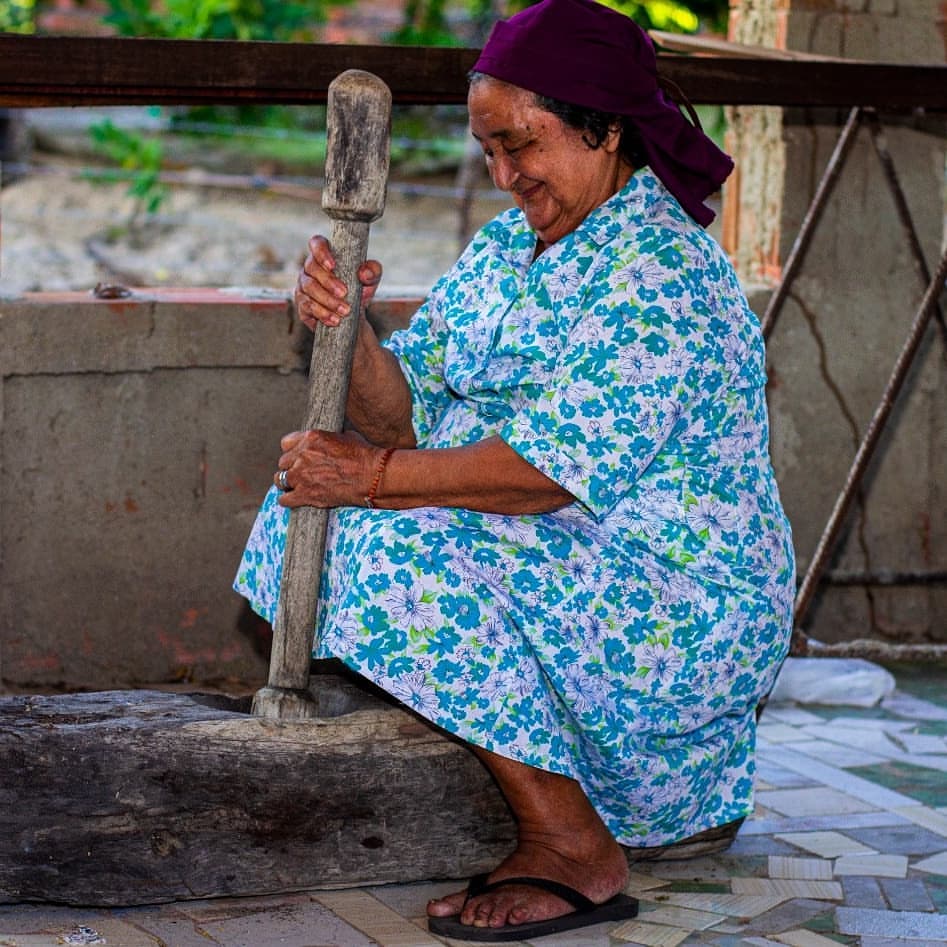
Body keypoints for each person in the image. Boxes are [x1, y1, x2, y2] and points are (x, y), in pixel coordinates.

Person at [235, 0, 795, 939]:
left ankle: (571, 841)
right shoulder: (506, 247)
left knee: (393, 542)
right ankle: (507, 751)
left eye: (520, 145)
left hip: (676, 606)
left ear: (604, 129)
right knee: (309, 507)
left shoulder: (662, 273)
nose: (503, 175)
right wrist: (348, 329)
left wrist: (368, 477)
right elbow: (405, 418)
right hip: (565, 560)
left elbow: (543, 474)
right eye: (487, 150)